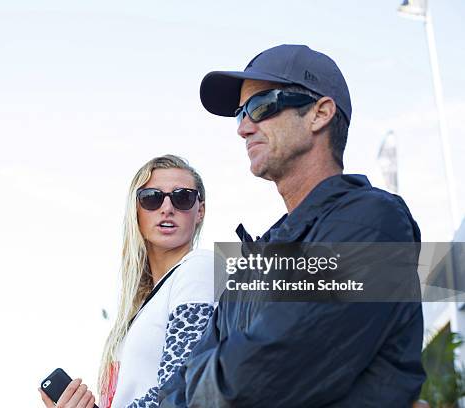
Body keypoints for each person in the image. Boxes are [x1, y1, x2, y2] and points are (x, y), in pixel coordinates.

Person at [158, 44, 426, 407]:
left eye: (262, 106)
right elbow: (178, 387)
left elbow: (264, 375)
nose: (244, 128)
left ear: (320, 114)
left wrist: (206, 374)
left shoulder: (374, 223)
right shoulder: (253, 264)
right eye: (240, 114)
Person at [40, 154, 215, 408]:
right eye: (152, 198)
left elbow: (185, 388)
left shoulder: (200, 266)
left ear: (200, 211)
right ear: (136, 210)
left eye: (182, 197)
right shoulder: (143, 306)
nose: (167, 208)